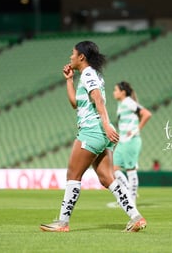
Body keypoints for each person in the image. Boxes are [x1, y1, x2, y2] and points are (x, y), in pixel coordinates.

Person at [40, 41, 146, 232]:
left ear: (81, 57)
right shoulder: (91, 75)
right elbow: (76, 104)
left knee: (73, 175)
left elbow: (98, 99)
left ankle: (63, 222)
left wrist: (105, 124)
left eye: (72, 54)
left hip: (92, 131)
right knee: (107, 178)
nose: (70, 57)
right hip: (100, 132)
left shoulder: (88, 74)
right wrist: (69, 80)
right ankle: (136, 217)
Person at [112, 81, 151, 204]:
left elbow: (146, 114)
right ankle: (128, 191)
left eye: (116, 90)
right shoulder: (122, 103)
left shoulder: (129, 102)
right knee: (113, 169)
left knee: (130, 169)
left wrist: (135, 130)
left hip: (131, 141)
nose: (114, 92)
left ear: (123, 92)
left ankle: (131, 199)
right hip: (123, 141)